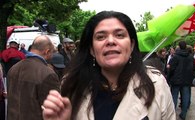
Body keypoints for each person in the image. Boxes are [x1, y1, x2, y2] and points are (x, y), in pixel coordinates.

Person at [42, 11, 175, 120]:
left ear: (132, 45)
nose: (110, 41)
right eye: (101, 37)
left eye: (119, 35)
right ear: (92, 50)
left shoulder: (156, 84)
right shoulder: (72, 85)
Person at [7, 35, 61, 120]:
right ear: (47, 51)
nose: (52, 55)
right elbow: (54, 111)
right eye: (52, 52)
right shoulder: (48, 74)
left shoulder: (13, 69)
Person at [167, 40, 195, 120]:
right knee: (186, 97)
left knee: (174, 96)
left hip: (176, 80)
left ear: (179, 46)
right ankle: (184, 114)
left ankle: (172, 114)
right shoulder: (190, 57)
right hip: (186, 80)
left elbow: (171, 68)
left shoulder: (175, 57)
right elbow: (193, 68)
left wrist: (169, 79)